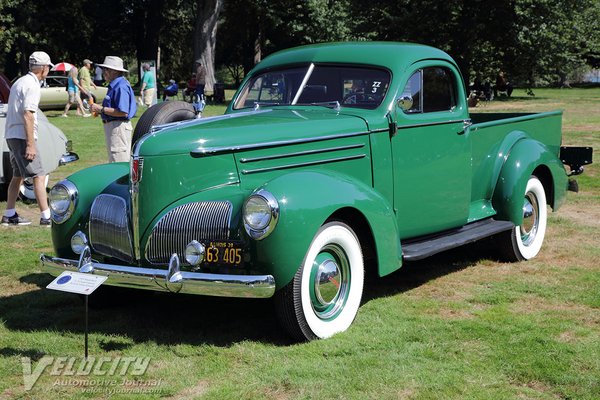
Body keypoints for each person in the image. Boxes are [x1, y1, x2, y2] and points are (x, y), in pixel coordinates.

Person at [2, 51, 53, 226]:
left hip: (11, 135)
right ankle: (46, 217)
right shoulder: (32, 85)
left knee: (17, 176)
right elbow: (28, 115)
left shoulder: (20, 81)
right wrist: (30, 144)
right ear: (43, 68)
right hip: (22, 137)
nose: (48, 70)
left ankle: (9, 214)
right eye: (48, 67)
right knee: (39, 174)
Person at [90, 56, 137, 163]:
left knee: (119, 162)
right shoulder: (116, 85)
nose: (103, 72)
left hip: (118, 128)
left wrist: (101, 109)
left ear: (115, 71)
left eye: (106, 69)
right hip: (115, 127)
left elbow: (123, 112)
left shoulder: (121, 86)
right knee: (115, 160)